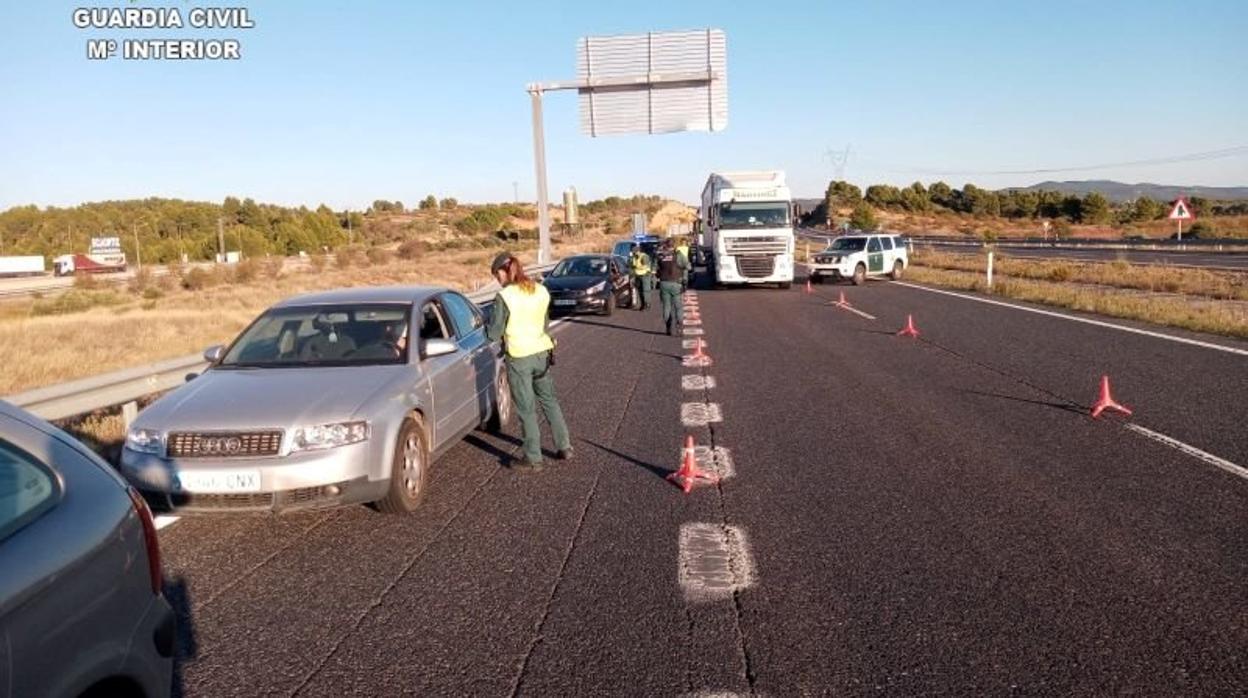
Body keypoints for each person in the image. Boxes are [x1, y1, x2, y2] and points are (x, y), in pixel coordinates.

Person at [486, 252, 572, 470]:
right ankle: (565, 447)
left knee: (526, 409)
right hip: (542, 353)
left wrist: (484, 328)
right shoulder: (540, 289)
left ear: (503, 272)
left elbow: (494, 333)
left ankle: (533, 458)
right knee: (550, 401)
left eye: (497, 275)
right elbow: (544, 323)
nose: (498, 280)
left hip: (519, 357)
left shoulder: (505, 297)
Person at [654, 239, 688, 335]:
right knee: (678, 307)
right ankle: (679, 326)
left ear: (665, 245)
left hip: (664, 283)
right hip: (676, 283)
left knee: (666, 306)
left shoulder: (661, 256)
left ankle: (668, 327)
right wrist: (685, 281)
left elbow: (656, 270)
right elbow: (686, 266)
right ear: (674, 245)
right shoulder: (678, 255)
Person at [629, 243, 653, 311]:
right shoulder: (634, 257)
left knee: (645, 291)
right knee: (640, 291)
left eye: (633, 251)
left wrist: (636, 267)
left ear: (637, 251)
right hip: (637, 275)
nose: (632, 252)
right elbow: (631, 266)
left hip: (645, 275)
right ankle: (642, 304)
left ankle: (647, 304)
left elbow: (645, 265)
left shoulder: (644, 256)